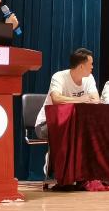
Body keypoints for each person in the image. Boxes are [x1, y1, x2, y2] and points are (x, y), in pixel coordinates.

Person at [34, 48, 100, 178]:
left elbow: (95, 100)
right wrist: (81, 100)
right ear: (81, 66)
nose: (93, 67)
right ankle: (55, 163)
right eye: (91, 64)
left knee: (90, 132)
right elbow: (56, 98)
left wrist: (85, 100)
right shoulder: (59, 77)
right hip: (46, 124)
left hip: (74, 124)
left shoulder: (89, 78)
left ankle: (83, 172)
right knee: (73, 131)